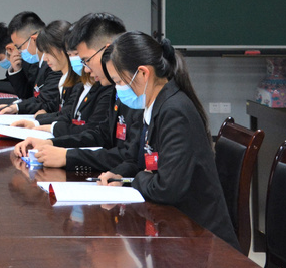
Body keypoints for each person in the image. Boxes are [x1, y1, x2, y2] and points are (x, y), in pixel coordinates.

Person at [97, 31, 239, 251]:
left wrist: (139, 178)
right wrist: (122, 178)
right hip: (177, 231)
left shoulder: (174, 112)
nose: (118, 89)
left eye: (119, 81)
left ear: (143, 73)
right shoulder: (154, 106)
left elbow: (166, 188)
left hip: (202, 240)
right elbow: (145, 166)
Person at [17, 13, 138, 171]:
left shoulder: (136, 95)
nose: (86, 69)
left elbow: (131, 157)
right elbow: (101, 135)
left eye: (86, 60)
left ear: (107, 51)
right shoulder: (118, 90)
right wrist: (50, 143)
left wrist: (68, 157)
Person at [7, 21, 113, 148]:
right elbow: (66, 114)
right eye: (71, 54)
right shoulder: (79, 84)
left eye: (77, 55)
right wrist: (38, 122)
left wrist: (45, 125)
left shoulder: (105, 87)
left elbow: (93, 131)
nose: (45, 58)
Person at [0, 12, 62, 115]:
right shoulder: (40, 62)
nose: (18, 52)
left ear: (34, 39)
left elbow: (44, 101)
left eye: (19, 47)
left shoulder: (55, 65)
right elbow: (30, 95)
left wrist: (15, 107)